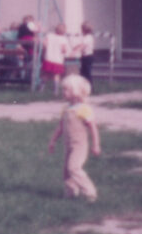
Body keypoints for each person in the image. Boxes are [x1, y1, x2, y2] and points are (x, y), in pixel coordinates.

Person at [47, 72, 101, 201]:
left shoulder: (83, 109)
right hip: (68, 145)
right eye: (63, 89)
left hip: (79, 145)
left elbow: (93, 128)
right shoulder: (66, 109)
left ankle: (90, 191)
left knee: (74, 167)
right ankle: (70, 193)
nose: (63, 92)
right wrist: (52, 141)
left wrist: (96, 145)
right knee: (66, 171)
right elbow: (61, 127)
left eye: (66, 90)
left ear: (75, 91)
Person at [41, 22, 70, 95]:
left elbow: (44, 44)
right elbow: (64, 50)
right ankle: (55, 90)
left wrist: (47, 49)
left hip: (48, 58)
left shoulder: (49, 35)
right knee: (56, 75)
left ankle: (41, 88)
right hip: (58, 60)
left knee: (46, 74)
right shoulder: (64, 39)